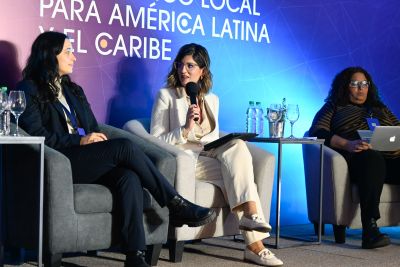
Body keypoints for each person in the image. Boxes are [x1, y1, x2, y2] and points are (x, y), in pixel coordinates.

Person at [17, 32, 216, 267]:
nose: (74, 57)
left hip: (84, 159)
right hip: (60, 161)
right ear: (50, 55)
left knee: (128, 177)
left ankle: (135, 256)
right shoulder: (28, 89)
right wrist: (79, 141)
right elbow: (38, 136)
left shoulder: (73, 90)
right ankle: (174, 203)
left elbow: (91, 127)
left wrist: (93, 140)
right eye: (68, 51)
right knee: (123, 146)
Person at [150, 43, 283, 266]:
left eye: (190, 66)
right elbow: (155, 140)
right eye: (180, 65)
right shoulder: (166, 96)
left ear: (203, 71)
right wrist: (184, 129)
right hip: (184, 160)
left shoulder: (212, 99)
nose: (183, 70)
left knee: (237, 146)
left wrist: (220, 144)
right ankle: (254, 242)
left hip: (208, 155)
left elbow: (210, 139)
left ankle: (252, 222)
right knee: (238, 177)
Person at [309, 66, 400, 249]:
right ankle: (370, 230)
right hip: (359, 159)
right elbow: (318, 132)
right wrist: (348, 144)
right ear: (345, 86)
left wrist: (392, 143)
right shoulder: (334, 106)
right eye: (355, 84)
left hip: (390, 159)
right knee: (372, 158)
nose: (361, 88)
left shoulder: (380, 108)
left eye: (364, 84)